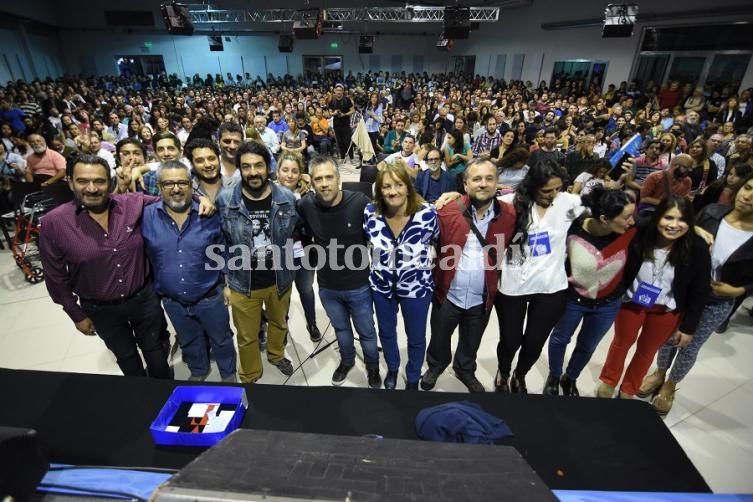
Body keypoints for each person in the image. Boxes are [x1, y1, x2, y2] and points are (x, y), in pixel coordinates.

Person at [39, 154, 179, 378]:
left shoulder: (131, 204)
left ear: (110, 182)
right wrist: (76, 314)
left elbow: (174, 199)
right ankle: (139, 396)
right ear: (69, 181)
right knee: (126, 357)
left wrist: (202, 199)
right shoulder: (54, 223)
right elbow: (55, 276)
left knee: (155, 350)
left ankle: (163, 392)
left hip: (143, 298)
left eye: (100, 181)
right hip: (100, 309)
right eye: (83, 181)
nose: (92, 188)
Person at [640, 175, 753, 414]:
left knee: (690, 345)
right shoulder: (712, 211)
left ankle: (670, 386)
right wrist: (696, 228)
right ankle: (659, 373)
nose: (748, 196)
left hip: (718, 301)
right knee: (669, 337)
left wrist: (741, 290)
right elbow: (680, 230)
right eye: (748, 188)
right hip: (685, 290)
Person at [598, 195, 711, 399]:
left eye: (682, 220)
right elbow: (631, 219)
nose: (674, 225)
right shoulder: (642, 234)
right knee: (621, 343)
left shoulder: (697, 248)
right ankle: (609, 380)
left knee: (646, 352)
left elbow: (700, 290)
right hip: (632, 303)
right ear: (658, 217)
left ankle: (628, 389)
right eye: (668, 218)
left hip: (665, 311)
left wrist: (688, 327)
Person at [421, 158, 516, 393]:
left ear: (498, 184)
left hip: (482, 297)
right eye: (476, 179)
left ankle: (464, 369)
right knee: (439, 337)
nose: (482, 184)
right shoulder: (446, 210)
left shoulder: (511, 214)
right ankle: (437, 364)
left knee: (472, 340)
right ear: (465, 185)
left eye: (489, 178)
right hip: (448, 293)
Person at [141, 160, 237, 382]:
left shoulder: (208, 213)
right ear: (159, 185)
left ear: (191, 184)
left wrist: (228, 284)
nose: (176, 188)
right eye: (169, 183)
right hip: (172, 300)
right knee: (188, 339)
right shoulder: (146, 216)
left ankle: (228, 373)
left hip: (210, 296)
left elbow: (223, 250)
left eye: (182, 183)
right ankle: (199, 370)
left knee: (221, 338)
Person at [495, 160, 584, 393]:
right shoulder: (510, 204)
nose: (553, 195)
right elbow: (478, 204)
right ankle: (503, 371)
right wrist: (452, 195)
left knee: (534, 342)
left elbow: (603, 208)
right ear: (532, 186)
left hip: (550, 286)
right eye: (547, 191)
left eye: (557, 188)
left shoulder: (568, 203)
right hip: (513, 284)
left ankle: (519, 374)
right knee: (510, 340)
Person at [216, 140, 298, 383]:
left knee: (279, 323)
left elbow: (292, 236)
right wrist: (226, 282)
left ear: (268, 166)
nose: (253, 172)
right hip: (243, 282)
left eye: (258, 166)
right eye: (247, 166)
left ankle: (275, 354)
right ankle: (250, 373)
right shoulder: (226, 199)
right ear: (240, 168)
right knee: (247, 335)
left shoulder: (286, 197)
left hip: (279, 279)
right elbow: (221, 244)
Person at [296, 154, 381, 388]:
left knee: (366, 332)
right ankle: (347, 360)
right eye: (318, 179)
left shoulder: (360, 202)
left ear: (339, 178)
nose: (324, 183)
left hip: (359, 285)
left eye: (329, 177)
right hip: (327, 287)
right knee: (341, 329)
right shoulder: (306, 204)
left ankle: (373, 366)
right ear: (311, 182)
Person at [545, 187, 636, 396]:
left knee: (588, 345)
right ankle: (554, 376)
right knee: (560, 338)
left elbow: (665, 222)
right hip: (572, 299)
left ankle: (571, 377)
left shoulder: (631, 231)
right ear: (604, 218)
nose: (632, 221)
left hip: (608, 304)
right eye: (626, 217)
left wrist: (697, 229)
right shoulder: (573, 228)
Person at [365, 160, 439, 389]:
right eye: (386, 186)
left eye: (398, 185)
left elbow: (438, 241)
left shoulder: (427, 213)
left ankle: (414, 375)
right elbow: (368, 242)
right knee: (386, 333)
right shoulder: (370, 212)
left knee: (416, 337)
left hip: (417, 287)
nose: (392, 191)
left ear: (408, 186)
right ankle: (394, 368)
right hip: (381, 286)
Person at [275, 152, 321, 342]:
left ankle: (312, 322)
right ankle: (281, 326)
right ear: (277, 172)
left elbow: (313, 227)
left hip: (303, 250)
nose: (289, 175)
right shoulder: (270, 195)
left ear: (301, 174)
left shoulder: (308, 196)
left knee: (306, 289)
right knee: (282, 292)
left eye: (294, 171)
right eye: (285, 170)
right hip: (279, 253)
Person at [329, 84, 355, 161]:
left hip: (346, 123)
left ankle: (351, 157)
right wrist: (335, 113)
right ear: (335, 91)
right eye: (337, 90)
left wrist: (345, 114)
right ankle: (343, 157)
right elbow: (330, 113)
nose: (339, 92)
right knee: (340, 141)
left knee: (348, 140)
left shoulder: (347, 100)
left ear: (343, 91)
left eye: (340, 90)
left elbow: (353, 110)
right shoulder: (332, 101)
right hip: (336, 124)